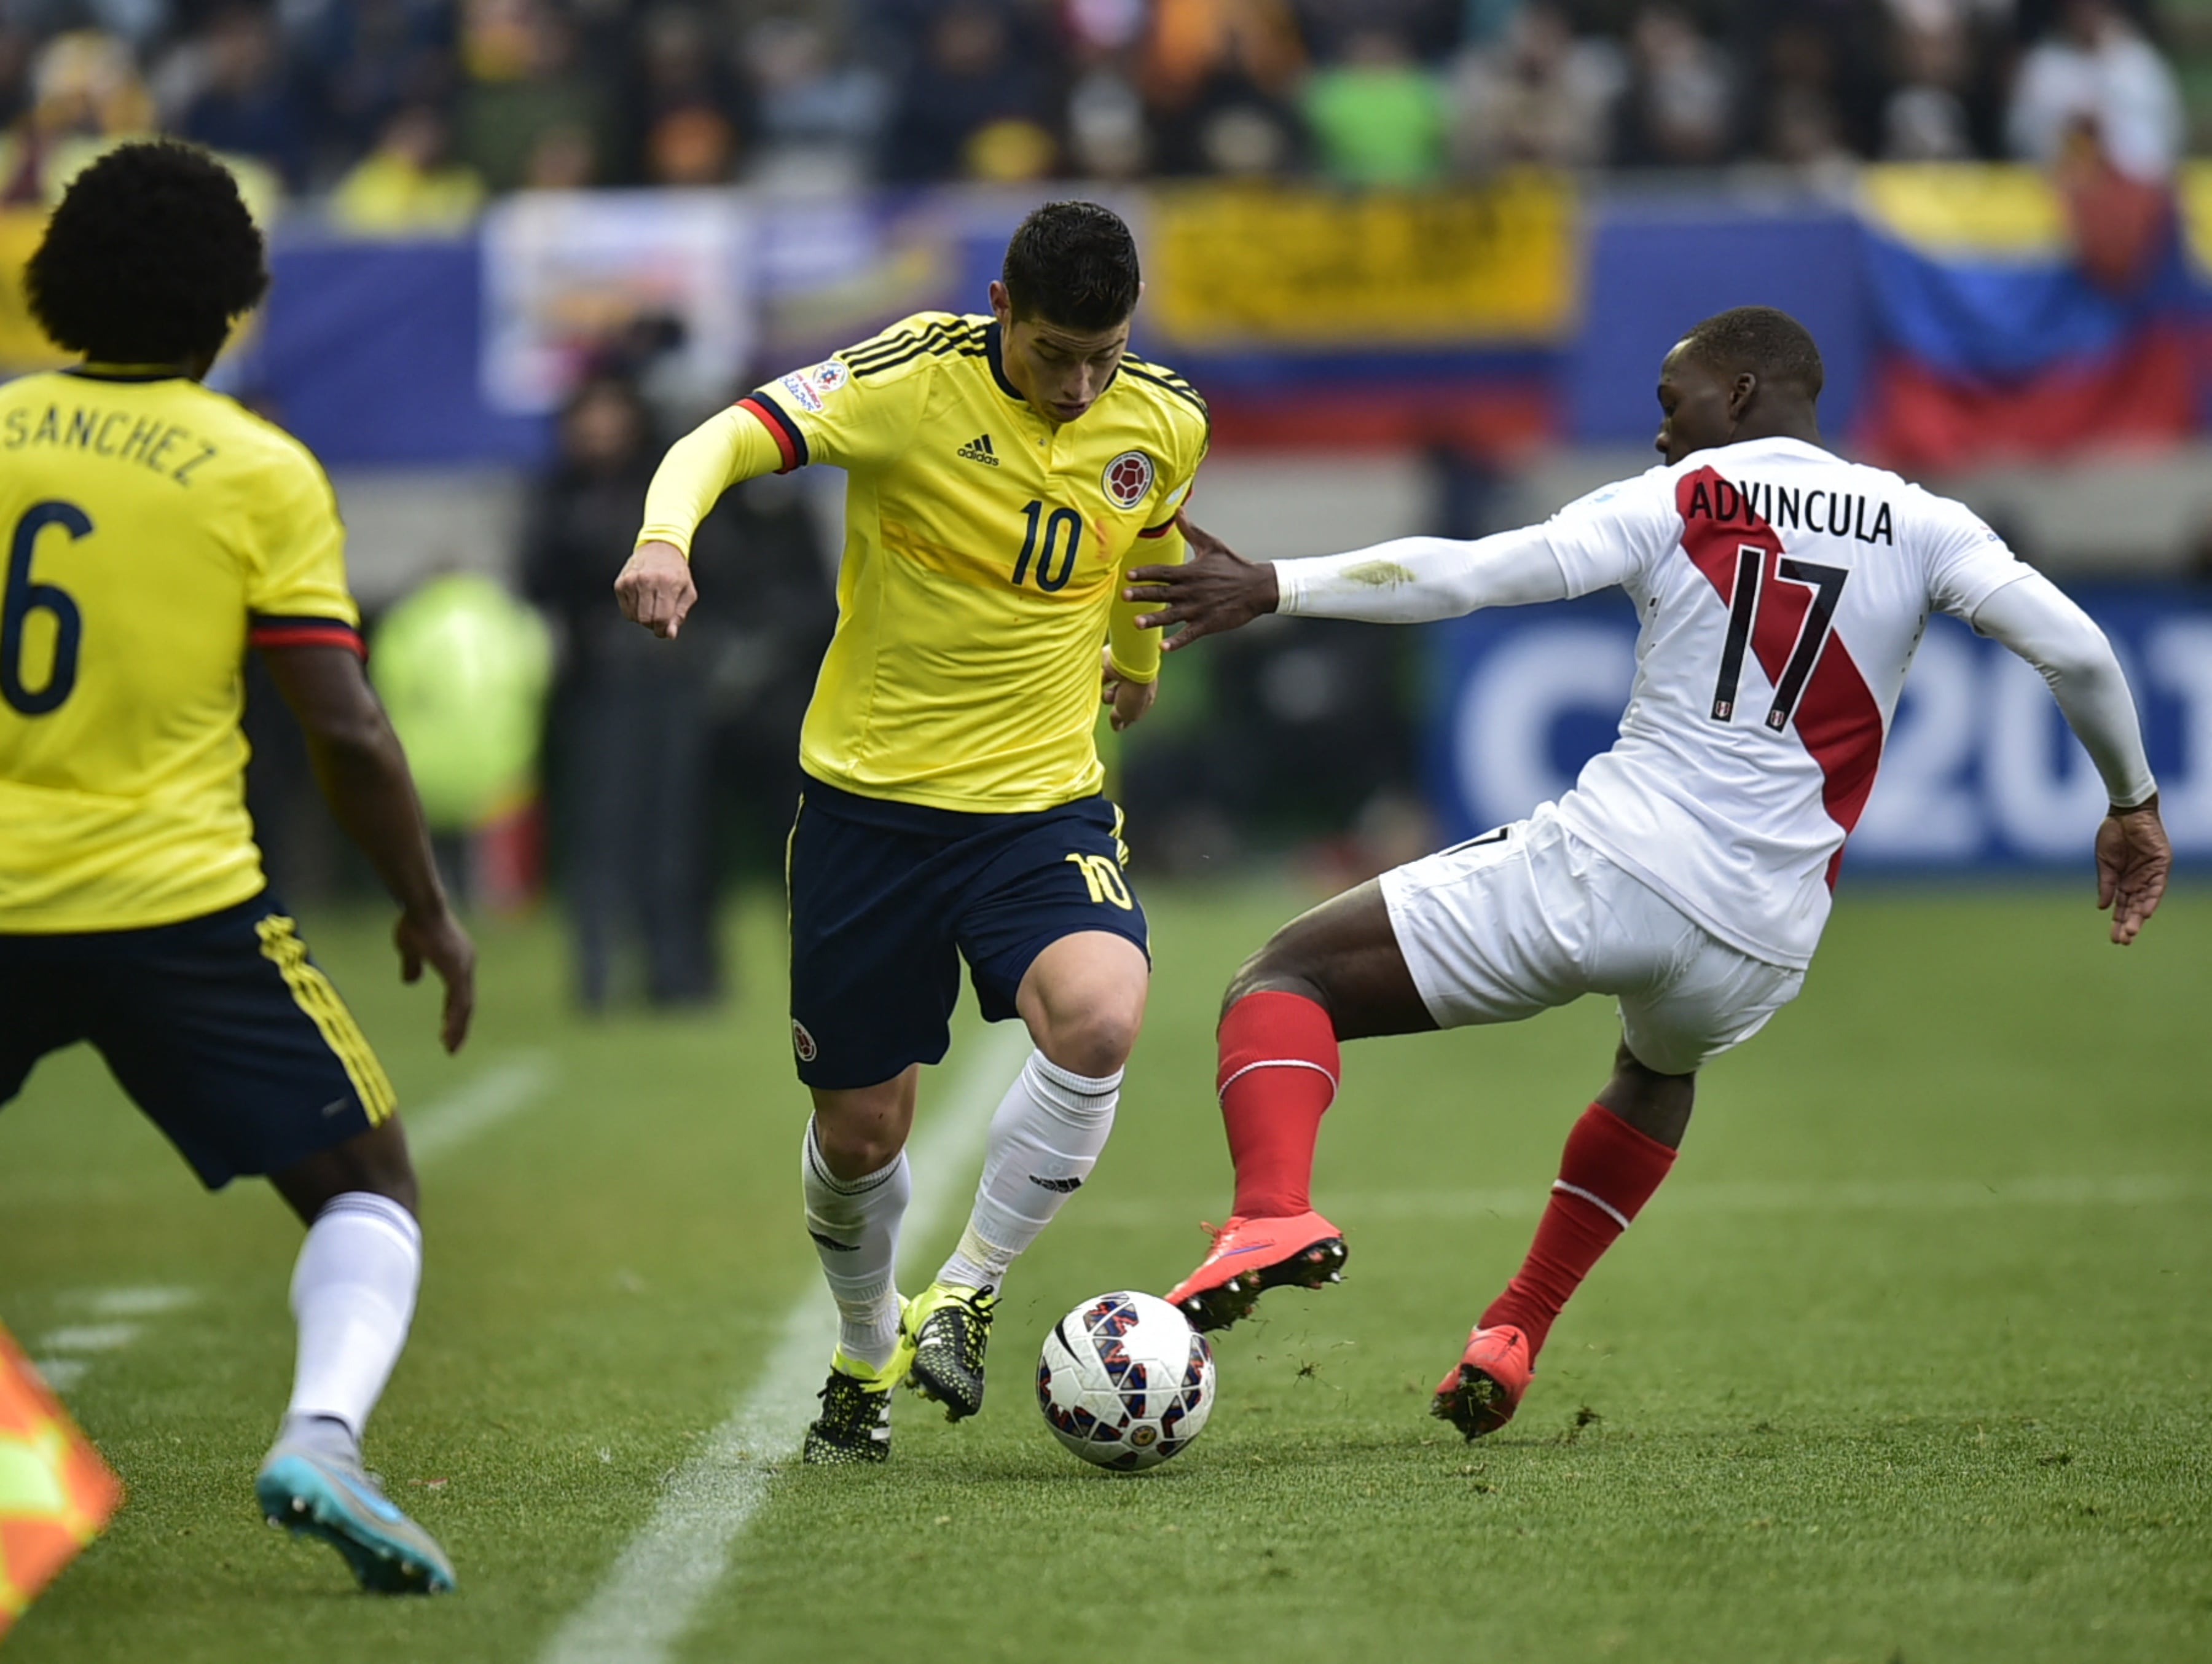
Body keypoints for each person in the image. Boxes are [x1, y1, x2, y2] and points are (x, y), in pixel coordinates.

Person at [1131, 305, 2170, 1440]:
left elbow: (1475, 574)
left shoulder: (1684, 498)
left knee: (1284, 980)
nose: (1660, 428)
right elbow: (2075, 646)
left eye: (1674, 402)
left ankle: (1271, 1214)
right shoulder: (1926, 524)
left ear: (1738, 395)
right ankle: (1516, 1323)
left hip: (1618, 870)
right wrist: (2132, 801)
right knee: (1655, 1067)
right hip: (1764, 944)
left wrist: (1277, 585)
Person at [616, 200, 1209, 1463]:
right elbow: (723, 435)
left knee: (1102, 1013)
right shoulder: (908, 380)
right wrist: (667, 537)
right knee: (861, 1135)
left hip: (1037, 808)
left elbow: (1145, 545)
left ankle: (970, 1291)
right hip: (868, 816)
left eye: (1104, 354)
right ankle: (860, 1346)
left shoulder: (1163, 418)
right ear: (1001, 306)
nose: (1081, 383)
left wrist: (1137, 661)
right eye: (1056, 354)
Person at [0, 142, 475, 1589]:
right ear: (233, 304)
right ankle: (320, 1435)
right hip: (177, 909)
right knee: (368, 1183)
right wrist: (424, 900)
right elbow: (343, 725)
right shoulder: (257, 469)